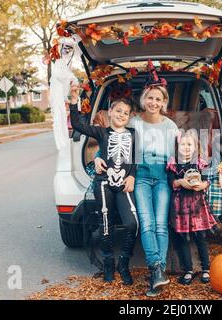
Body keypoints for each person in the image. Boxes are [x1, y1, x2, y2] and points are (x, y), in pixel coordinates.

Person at [95, 60, 179, 296]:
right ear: (144, 99)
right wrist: (97, 158)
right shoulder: (133, 123)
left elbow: (176, 157)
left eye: (159, 99)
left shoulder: (170, 126)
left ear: (164, 103)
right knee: (146, 222)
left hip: (162, 176)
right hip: (139, 176)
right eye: (150, 98)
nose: (154, 102)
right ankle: (155, 268)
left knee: (161, 225)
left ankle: (158, 271)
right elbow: (111, 140)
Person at [68, 84, 138, 286]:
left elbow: (136, 158)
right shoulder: (102, 132)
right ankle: (108, 262)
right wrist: (74, 101)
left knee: (132, 223)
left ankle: (123, 262)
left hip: (124, 184)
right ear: (110, 112)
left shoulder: (134, 134)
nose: (121, 115)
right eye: (118, 111)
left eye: (125, 112)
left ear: (130, 116)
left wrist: (132, 176)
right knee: (105, 225)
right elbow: (77, 124)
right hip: (104, 182)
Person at [166, 129, 217, 285]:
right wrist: (180, 182)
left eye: (190, 144)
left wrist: (202, 184)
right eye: (183, 144)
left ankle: (206, 268)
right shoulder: (173, 163)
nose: (186, 147)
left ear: (195, 147)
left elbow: (208, 179)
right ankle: (188, 269)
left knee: (200, 237)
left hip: (197, 206)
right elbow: (171, 182)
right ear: (177, 146)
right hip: (180, 206)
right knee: (182, 239)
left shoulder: (200, 163)